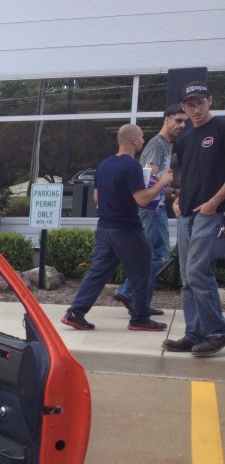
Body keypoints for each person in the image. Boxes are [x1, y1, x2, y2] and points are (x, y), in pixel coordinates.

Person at [61, 123, 173, 332]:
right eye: (140, 137)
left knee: (98, 271)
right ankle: (139, 318)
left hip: (104, 228)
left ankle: (75, 313)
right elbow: (142, 199)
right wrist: (162, 182)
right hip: (127, 228)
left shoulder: (104, 165)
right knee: (143, 268)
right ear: (133, 140)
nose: (142, 140)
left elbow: (97, 197)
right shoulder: (132, 167)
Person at [162, 81, 225, 357]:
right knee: (187, 277)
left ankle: (216, 332)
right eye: (190, 105)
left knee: (198, 270)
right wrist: (177, 199)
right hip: (185, 212)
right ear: (184, 108)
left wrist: (214, 203)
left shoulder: (221, 128)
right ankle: (194, 333)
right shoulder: (184, 138)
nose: (196, 109)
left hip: (210, 212)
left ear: (210, 100)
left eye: (200, 103)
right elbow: (185, 175)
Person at [113, 104, 187, 316]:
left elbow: (157, 181)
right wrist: (161, 189)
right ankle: (129, 292)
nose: (182, 125)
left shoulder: (165, 145)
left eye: (185, 121)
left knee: (152, 254)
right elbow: (148, 178)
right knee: (156, 254)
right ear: (167, 120)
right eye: (178, 120)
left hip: (155, 206)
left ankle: (140, 302)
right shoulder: (158, 145)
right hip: (152, 209)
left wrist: (171, 191)